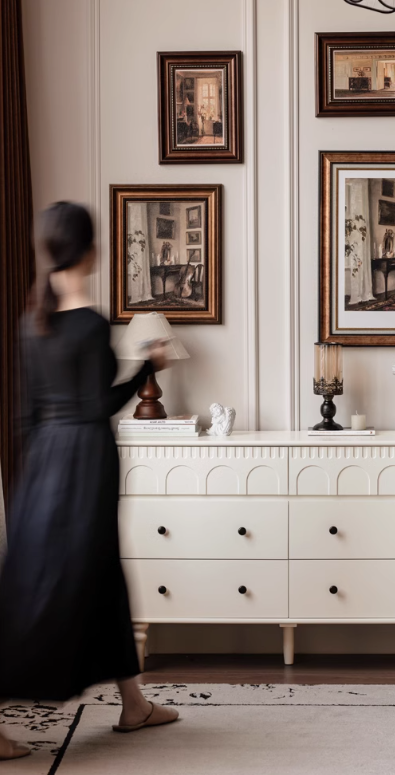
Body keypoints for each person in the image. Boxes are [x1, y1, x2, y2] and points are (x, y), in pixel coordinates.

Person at [0, 202, 178, 761]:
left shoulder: (33, 322)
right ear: (90, 251)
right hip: (84, 462)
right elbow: (99, 403)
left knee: (85, 579)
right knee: (67, 585)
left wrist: (29, 486)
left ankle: (133, 704)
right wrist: (149, 366)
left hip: (43, 467)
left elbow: (26, 416)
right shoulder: (88, 322)